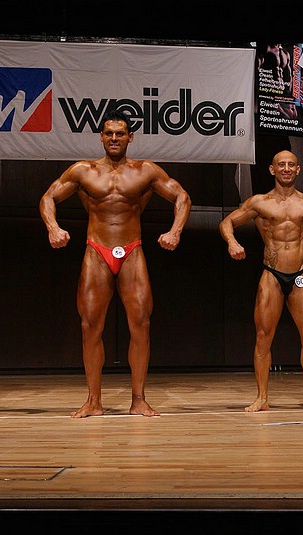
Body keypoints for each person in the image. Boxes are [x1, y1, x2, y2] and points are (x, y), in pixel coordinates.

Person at [39, 109, 191, 418]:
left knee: (141, 324)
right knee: (89, 326)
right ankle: (93, 401)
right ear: (101, 136)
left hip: (132, 250)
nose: (114, 138)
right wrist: (53, 228)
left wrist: (175, 231)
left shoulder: (145, 170)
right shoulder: (84, 171)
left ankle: (139, 399)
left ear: (130, 137)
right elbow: (48, 198)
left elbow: (182, 197)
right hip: (96, 250)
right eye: (108, 133)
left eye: (120, 133)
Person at [220, 150, 303, 412]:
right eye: (281, 165)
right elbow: (227, 223)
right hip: (272, 274)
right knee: (263, 336)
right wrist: (232, 242)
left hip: (300, 274)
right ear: (272, 169)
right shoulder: (260, 202)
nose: (287, 169)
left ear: (298, 170)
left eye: (291, 165)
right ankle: (262, 398)